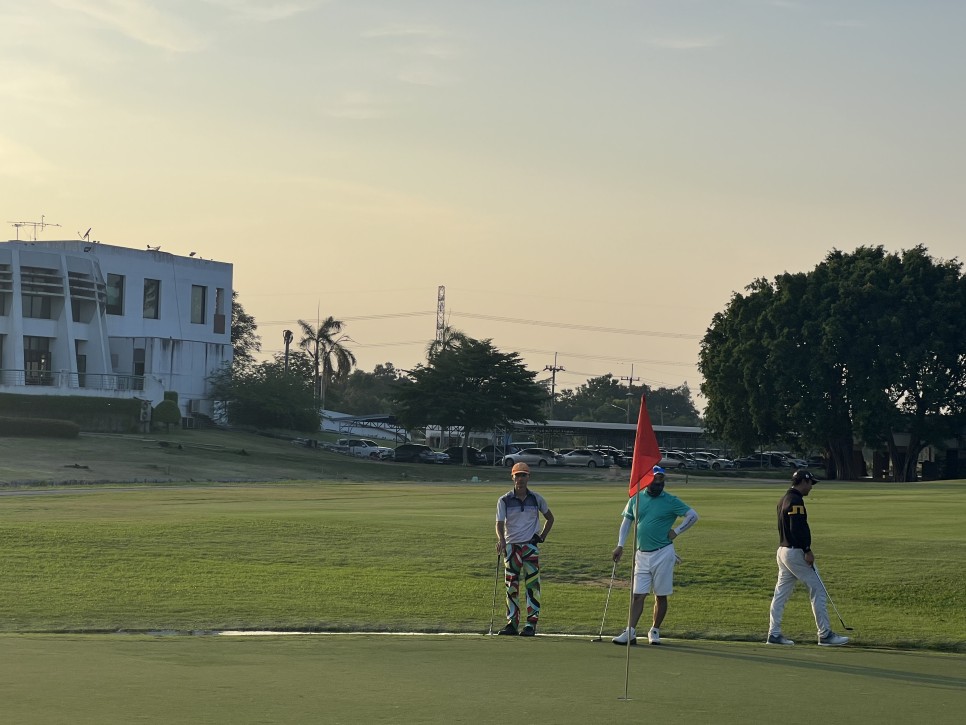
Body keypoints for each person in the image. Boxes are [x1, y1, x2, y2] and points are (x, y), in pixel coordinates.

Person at [611, 466, 699, 645]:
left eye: (661, 481)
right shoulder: (635, 498)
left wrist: (677, 531)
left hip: (663, 553)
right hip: (641, 554)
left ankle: (655, 630)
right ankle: (631, 632)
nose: (659, 484)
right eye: (655, 481)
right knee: (638, 595)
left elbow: (693, 516)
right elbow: (627, 522)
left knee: (660, 595)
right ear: (647, 480)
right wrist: (620, 545)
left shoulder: (670, 500)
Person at [767, 469, 849, 647]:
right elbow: (797, 527)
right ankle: (825, 634)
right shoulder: (796, 501)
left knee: (780, 595)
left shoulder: (783, 499)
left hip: (783, 550)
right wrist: (807, 549)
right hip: (796, 552)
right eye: (810, 483)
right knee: (818, 590)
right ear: (803, 482)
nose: (811, 487)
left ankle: (774, 634)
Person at [495, 462, 555, 636]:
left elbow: (550, 518)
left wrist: (542, 537)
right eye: (517, 475)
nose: (520, 479)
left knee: (532, 586)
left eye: (523, 475)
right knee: (511, 587)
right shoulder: (504, 500)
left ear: (529, 477)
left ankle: (531, 624)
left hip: (529, 546)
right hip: (512, 547)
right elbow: (499, 523)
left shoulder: (536, 499)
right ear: (512, 477)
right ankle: (512, 623)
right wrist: (501, 540)